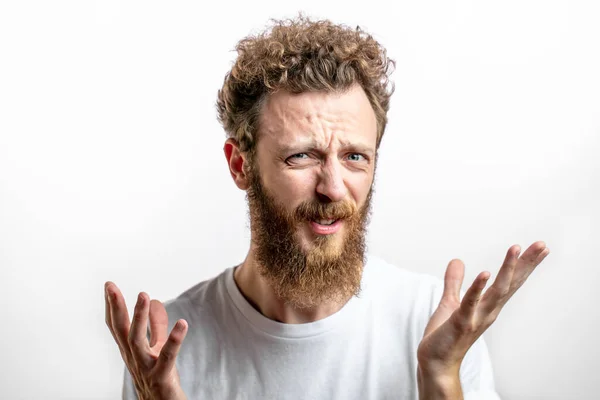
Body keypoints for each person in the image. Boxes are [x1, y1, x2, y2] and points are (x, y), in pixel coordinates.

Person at [104, 14, 550, 400]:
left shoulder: (433, 322)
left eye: (355, 157)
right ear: (240, 165)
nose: (333, 189)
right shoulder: (170, 350)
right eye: (302, 156)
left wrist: (439, 377)